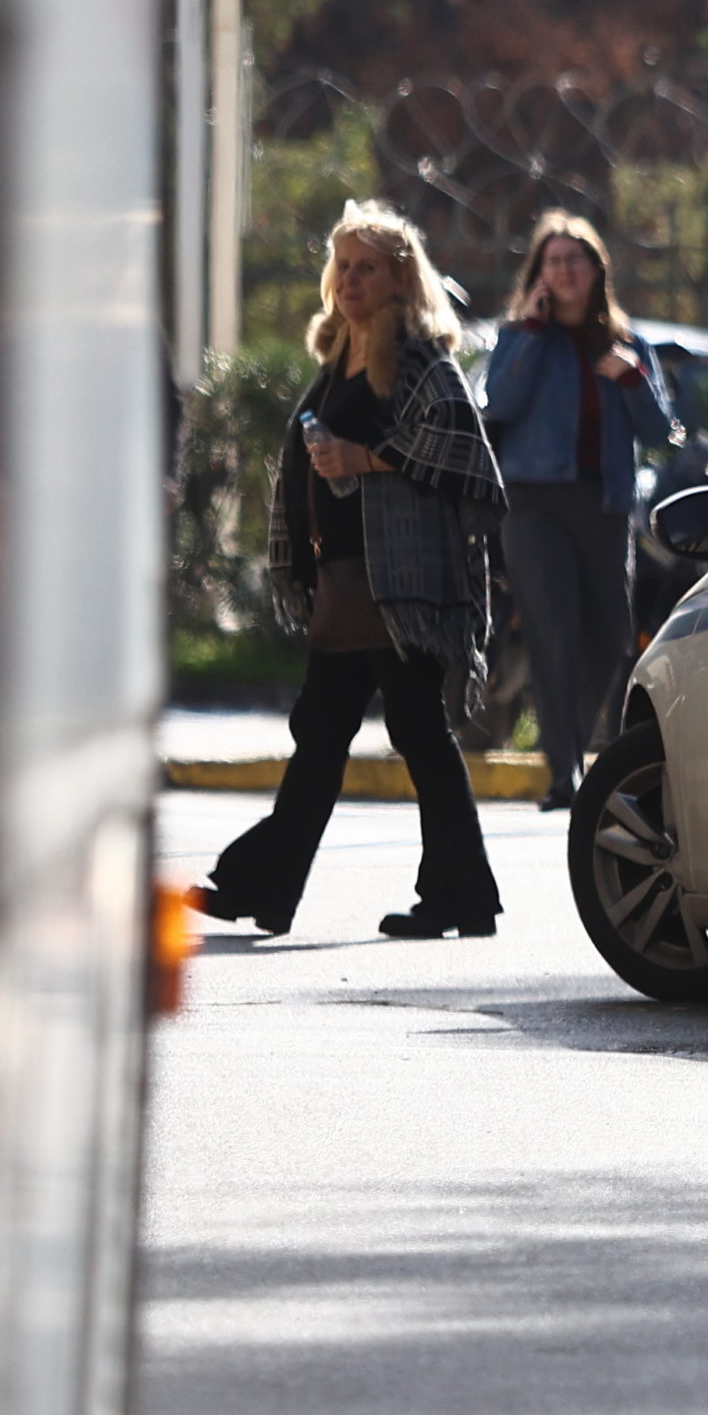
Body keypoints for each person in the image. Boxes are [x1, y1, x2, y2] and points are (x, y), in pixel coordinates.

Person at [189, 203, 509, 939]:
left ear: (400, 277)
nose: (351, 279)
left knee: (416, 731)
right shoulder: (337, 357)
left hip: (402, 589)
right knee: (328, 736)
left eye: (367, 267)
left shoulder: (424, 360)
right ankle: (266, 888)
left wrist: (368, 458)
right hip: (344, 586)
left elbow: (469, 457)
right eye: (343, 265)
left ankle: (455, 894)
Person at [482, 212, 677, 810]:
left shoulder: (627, 344)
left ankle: (573, 745)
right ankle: (563, 770)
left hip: (603, 502)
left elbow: (660, 428)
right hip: (532, 501)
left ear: (597, 270)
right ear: (539, 273)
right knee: (553, 629)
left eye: (576, 259)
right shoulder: (520, 336)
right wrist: (532, 334)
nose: (566, 270)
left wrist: (633, 378)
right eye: (554, 260)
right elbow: (499, 406)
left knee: (612, 633)